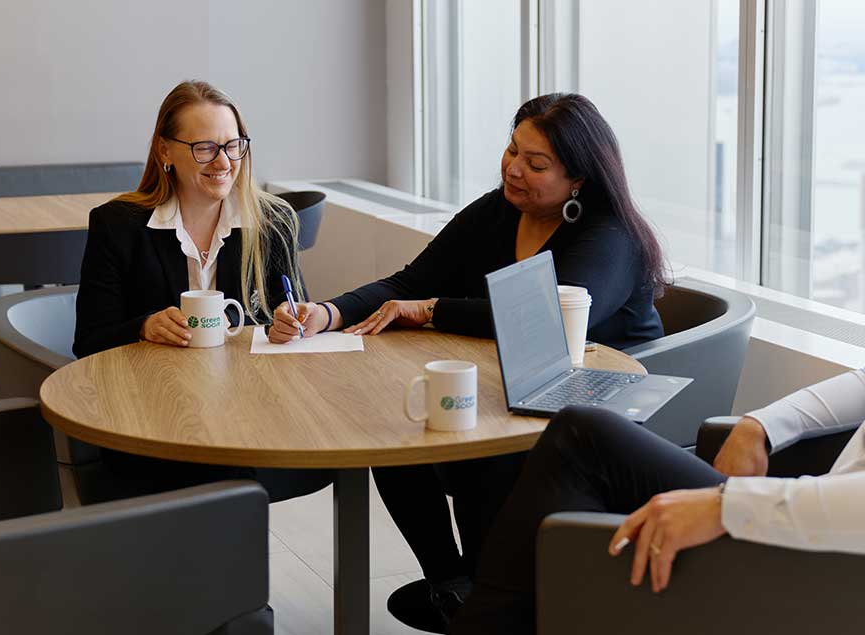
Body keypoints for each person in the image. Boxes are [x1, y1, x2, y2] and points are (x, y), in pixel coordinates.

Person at [269, 93, 669, 631]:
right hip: (517, 385)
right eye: (512, 151)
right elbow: (411, 282)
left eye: (536, 164)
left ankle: (492, 597)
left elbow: (541, 317)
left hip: (605, 408)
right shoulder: (498, 210)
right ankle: (454, 586)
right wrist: (328, 312)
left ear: (579, 179)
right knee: (395, 432)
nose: (514, 169)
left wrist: (434, 311)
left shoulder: (609, 235)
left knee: (483, 451)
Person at [449, 324, 865, 634]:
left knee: (582, 441)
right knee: (583, 435)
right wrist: (763, 425)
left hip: (859, 578)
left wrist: (728, 506)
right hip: (822, 534)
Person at [72, 79, 331, 501]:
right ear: (164, 151)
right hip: (155, 421)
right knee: (224, 480)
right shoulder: (118, 226)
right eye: (205, 148)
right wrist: (144, 327)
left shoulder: (272, 222)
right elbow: (88, 343)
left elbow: (295, 321)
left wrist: (291, 324)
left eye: (233, 145)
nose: (224, 161)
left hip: (252, 415)